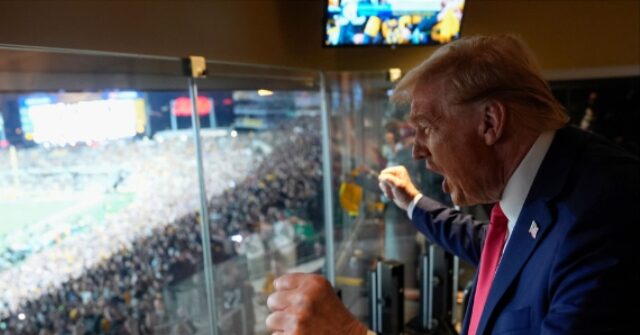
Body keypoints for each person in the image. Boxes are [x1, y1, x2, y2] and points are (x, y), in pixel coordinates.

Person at [265, 34, 638, 334]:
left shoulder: (605, 215)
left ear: (490, 122)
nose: (416, 151)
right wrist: (413, 202)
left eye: (426, 128)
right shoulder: (548, 178)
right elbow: (499, 250)